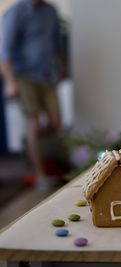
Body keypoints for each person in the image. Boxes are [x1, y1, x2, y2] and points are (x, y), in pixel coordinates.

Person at [0, 0, 64, 189]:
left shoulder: (50, 11)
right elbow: (5, 52)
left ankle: (32, 148)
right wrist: (11, 82)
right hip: (24, 76)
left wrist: (62, 67)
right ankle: (39, 174)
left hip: (47, 74)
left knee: (55, 123)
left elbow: (57, 42)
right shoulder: (15, 13)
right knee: (33, 122)